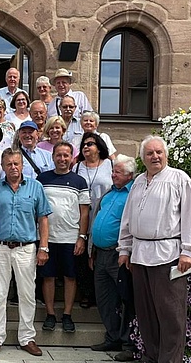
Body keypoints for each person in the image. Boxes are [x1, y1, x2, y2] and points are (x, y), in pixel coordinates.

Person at [118, 135, 191, 363]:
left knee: (170, 315)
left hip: (168, 255)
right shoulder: (138, 181)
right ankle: (151, 357)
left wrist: (189, 251)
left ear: (166, 155)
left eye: (159, 152)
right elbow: (128, 218)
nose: (155, 156)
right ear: (143, 158)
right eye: (150, 153)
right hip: (139, 255)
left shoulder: (179, 179)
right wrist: (125, 249)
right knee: (146, 314)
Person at [0, 148, 53, 357]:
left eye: (16, 163)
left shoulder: (35, 188)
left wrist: (43, 248)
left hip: (26, 249)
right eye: (9, 164)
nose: (13, 167)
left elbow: (43, 219)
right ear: (3, 167)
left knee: (27, 294)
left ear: (22, 165)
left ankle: (27, 337)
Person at [37, 141, 90, 334]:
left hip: (70, 238)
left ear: (71, 158)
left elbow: (84, 212)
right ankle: (50, 314)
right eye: (58, 155)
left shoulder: (79, 181)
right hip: (47, 238)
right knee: (48, 277)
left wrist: (82, 237)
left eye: (66, 155)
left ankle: (67, 314)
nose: (62, 159)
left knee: (70, 277)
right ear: (53, 157)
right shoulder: (43, 179)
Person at [89, 154, 137, 362]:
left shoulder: (134, 193)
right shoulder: (109, 193)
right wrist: (92, 250)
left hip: (120, 255)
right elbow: (97, 219)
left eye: (117, 172)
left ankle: (128, 343)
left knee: (126, 299)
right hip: (101, 254)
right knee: (105, 298)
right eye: (113, 171)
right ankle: (112, 337)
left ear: (129, 175)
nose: (113, 174)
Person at [73, 132, 114, 308]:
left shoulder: (109, 165)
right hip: (82, 216)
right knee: (82, 257)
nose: (86, 147)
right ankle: (86, 293)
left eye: (90, 144)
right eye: (84, 144)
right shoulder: (77, 167)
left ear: (99, 147)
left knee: (98, 256)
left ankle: (101, 294)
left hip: (102, 215)